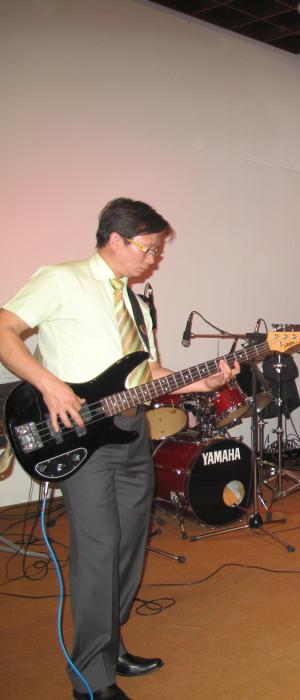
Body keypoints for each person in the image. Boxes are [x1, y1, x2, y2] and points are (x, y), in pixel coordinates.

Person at [0, 198, 237, 700]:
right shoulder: (61, 279)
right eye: (149, 248)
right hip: (81, 437)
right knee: (98, 552)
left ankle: (109, 643)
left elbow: (145, 373)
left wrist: (204, 381)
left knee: (130, 546)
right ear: (116, 239)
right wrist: (48, 385)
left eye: (157, 250)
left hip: (131, 433)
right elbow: (3, 330)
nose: (154, 258)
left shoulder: (136, 303)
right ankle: (91, 677)